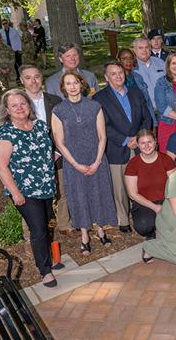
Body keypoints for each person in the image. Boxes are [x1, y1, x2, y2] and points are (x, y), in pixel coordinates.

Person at [0, 89, 62, 287]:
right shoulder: (5, 133)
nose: (20, 108)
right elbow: (0, 166)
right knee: (38, 229)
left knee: (47, 224)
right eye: (14, 105)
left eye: (23, 103)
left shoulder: (40, 126)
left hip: (46, 187)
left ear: (29, 105)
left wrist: (55, 157)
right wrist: (15, 193)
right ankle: (45, 270)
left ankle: (49, 258)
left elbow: (45, 152)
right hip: (24, 191)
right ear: (7, 110)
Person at [51, 72, 117, 254]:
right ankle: (84, 236)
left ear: (81, 85)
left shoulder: (95, 106)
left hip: (96, 158)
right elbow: (59, 142)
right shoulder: (58, 110)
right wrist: (75, 164)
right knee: (79, 197)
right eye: (68, 83)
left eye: (75, 83)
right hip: (74, 163)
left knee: (98, 194)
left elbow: (102, 136)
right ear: (63, 87)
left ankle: (101, 231)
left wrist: (97, 161)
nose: (72, 86)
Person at [93, 61, 153, 233]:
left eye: (120, 72)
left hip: (139, 146)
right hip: (116, 148)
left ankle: (142, 214)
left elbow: (146, 117)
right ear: (106, 77)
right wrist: (126, 140)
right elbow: (103, 126)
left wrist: (140, 137)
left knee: (140, 183)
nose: (118, 76)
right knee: (119, 188)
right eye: (113, 73)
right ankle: (123, 219)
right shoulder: (99, 98)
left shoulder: (135, 92)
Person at [19, 64, 71, 235]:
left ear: (42, 78)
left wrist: (57, 152)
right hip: (30, 161)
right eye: (28, 78)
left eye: (36, 77)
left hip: (57, 155)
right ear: (22, 81)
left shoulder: (54, 101)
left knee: (63, 191)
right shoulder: (17, 104)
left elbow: (65, 129)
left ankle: (64, 224)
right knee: (32, 197)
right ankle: (31, 232)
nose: (33, 81)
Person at [124, 130, 176, 238]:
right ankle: (151, 235)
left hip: (166, 199)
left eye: (150, 142)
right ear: (138, 145)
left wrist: (168, 205)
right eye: (143, 143)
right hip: (143, 202)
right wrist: (155, 207)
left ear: (155, 142)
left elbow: (175, 185)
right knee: (144, 226)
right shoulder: (133, 164)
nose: (147, 145)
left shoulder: (166, 160)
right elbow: (132, 194)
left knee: (175, 220)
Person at [118, 48, 156, 123]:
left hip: (143, 119)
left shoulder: (138, 77)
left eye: (131, 58)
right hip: (125, 121)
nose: (128, 61)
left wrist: (153, 121)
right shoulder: (115, 80)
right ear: (119, 60)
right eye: (124, 58)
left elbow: (147, 101)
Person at [132, 37, 166, 110]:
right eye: (140, 48)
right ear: (134, 50)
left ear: (150, 49)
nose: (144, 50)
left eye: (147, 47)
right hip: (146, 111)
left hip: (166, 108)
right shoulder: (131, 68)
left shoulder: (160, 63)